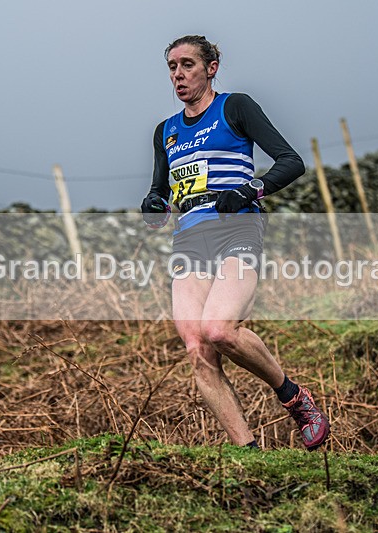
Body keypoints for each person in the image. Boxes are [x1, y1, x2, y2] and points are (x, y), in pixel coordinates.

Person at [141, 35, 330, 450]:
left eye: (187, 64)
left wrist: (250, 190)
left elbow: (291, 161)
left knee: (219, 330)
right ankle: (249, 454)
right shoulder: (166, 132)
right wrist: (154, 203)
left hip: (237, 227)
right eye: (172, 66)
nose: (178, 74)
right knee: (196, 346)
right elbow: (160, 191)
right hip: (189, 239)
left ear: (211, 68)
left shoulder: (235, 107)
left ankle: (295, 398)